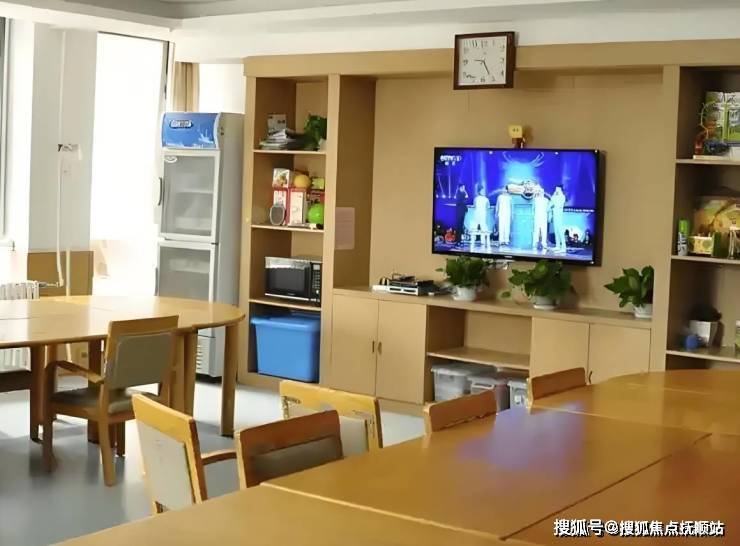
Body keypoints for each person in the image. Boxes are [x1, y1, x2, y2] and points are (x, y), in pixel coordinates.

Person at [550, 185, 566, 253]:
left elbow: (557, 204)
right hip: (555, 215)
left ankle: (563, 247)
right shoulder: (555, 196)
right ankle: (557, 246)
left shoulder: (562, 196)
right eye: (556, 189)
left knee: (560, 231)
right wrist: (554, 196)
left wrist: (554, 197)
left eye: (557, 189)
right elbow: (551, 202)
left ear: (560, 189)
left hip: (559, 215)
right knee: (556, 231)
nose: (556, 190)